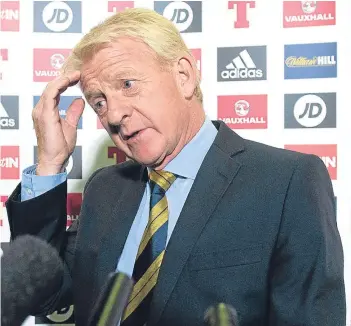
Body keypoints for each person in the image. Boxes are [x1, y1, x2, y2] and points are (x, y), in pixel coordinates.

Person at [5, 8, 345, 326]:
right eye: (99, 101)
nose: (112, 114)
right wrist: (50, 163)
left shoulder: (287, 181)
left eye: (127, 85)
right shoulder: (105, 188)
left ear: (183, 75)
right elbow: (47, 295)